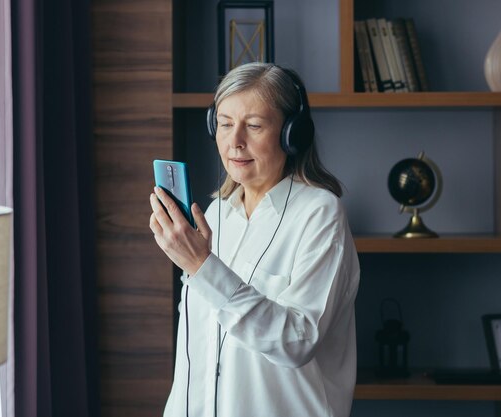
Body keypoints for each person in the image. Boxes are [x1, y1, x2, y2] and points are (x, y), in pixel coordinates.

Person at [149, 62, 360, 417]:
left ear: (292, 134)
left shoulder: (321, 215)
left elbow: (297, 342)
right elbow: (195, 356)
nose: (235, 142)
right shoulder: (213, 215)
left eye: (255, 125)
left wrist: (203, 266)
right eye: (225, 124)